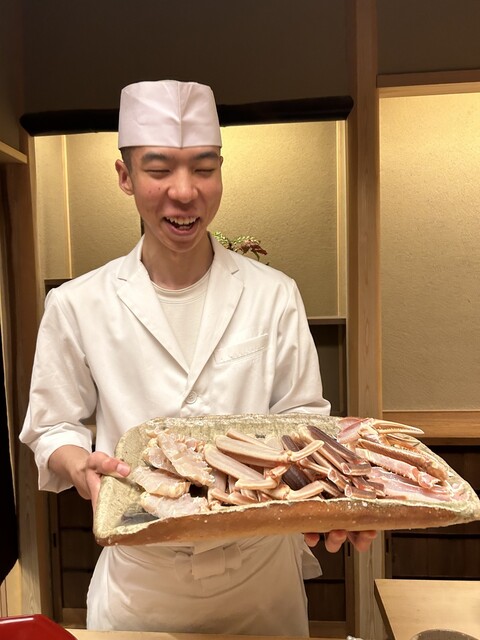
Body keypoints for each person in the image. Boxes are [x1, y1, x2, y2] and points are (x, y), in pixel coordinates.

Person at [20, 79, 376, 636]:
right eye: (159, 169)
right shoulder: (77, 303)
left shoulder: (273, 293)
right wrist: (79, 466)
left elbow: (302, 420)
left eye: (204, 168)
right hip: (142, 582)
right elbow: (52, 426)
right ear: (125, 176)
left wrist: (331, 496)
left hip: (261, 580)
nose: (184, 192)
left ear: (220, 173)